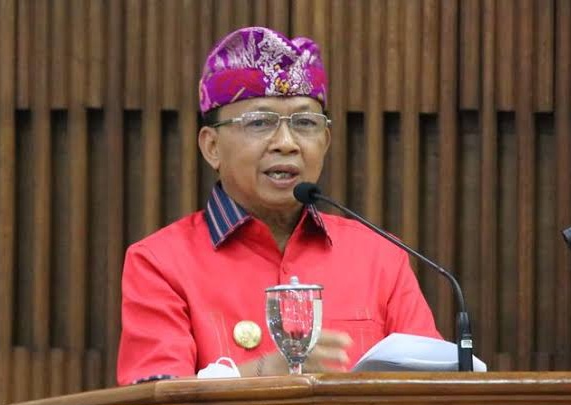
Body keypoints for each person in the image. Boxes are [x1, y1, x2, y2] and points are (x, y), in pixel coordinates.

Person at [117, 26, 441, 385]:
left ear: (326, 141)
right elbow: (156, 395)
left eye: (304, 123)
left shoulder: (381, 258)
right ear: (212, 147)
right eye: (260, 122)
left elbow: (434, 386)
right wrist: (264, 373)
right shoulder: (161, 262)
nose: (286, 143)